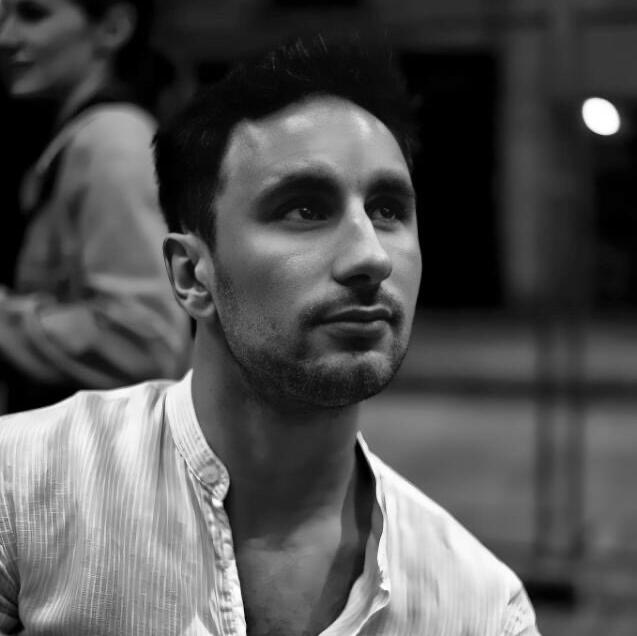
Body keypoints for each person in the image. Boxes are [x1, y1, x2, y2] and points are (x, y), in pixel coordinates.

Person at [0, 34, 541, 635]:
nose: (371, 256)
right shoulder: (21, 491)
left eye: (388, 209)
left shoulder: (480, 609)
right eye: (304, 209)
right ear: (191, 275)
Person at [0, 0, 191, 412]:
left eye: (33, 15)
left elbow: (145, 338)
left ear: (113, 28)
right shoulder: (83, 135)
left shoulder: (111, 139)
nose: (6, 37)